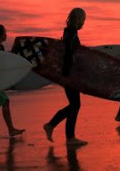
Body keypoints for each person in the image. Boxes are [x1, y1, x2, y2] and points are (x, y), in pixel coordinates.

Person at [43, 8, 88, 146]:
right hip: (69, 74)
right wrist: (69, 75)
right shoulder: (71, 34)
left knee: (75, 105)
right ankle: (53, 126)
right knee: (75, 105)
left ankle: (68, 136)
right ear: (78, 19)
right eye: (83, 20)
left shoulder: (68, 32)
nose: (83, 24)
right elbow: (69, 55)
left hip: (68, 73)